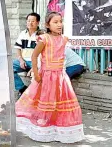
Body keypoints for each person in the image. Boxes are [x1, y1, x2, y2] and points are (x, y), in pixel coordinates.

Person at [15, 12, 84, 143]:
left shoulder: (64, 39)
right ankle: (42, 129)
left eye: (60, 21)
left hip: (60, 76)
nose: (59, 24)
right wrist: (36, 73)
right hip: (46, 76)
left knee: (59, 102)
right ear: (47, 24)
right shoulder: (44, 39)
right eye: (55, 22)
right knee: (44, 100)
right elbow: (35, 56)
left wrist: (62, 74)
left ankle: (57, 130)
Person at [13, 13, 42, 96]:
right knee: (8, 68)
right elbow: (18, 48)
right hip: (24, 61)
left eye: (33, 21)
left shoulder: (41, 35)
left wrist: (34, 66)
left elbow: (43, 53)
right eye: (28, 21)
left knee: (37, 77)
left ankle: (34, 96)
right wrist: (21, 60)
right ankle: (22, 88)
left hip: (37, 62)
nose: (30, 23)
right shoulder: (23, 33)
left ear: (37, 22)